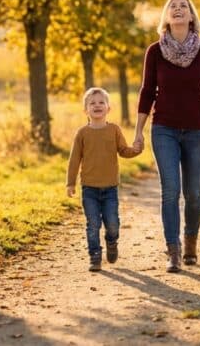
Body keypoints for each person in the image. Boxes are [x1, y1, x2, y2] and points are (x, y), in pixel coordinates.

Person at [133, 0, 200, 273]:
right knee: (170, 191)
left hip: (197, 131)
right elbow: (147, 91)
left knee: (193, 193)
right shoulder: (155, 51)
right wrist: (138, 131)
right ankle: (172, 250)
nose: (178, 9)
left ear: (191, 15)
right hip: (164, 130)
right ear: (166, 16)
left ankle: (190, 242)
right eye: (172, 6)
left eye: (183, 6)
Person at [67, 87, 142, 272]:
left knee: (112, 223)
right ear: (85, 110)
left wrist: (135, 150)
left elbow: (123, 150)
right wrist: (70, 183)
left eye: (101, 102)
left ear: (108, 108)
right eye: (92, 103)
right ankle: (94, 256)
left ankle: (111, 241)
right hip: (89, 188)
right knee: (93, 224)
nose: (97, 105)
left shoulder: (114, 130)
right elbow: (74, 159)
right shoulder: (82, 133)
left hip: (110, 188)